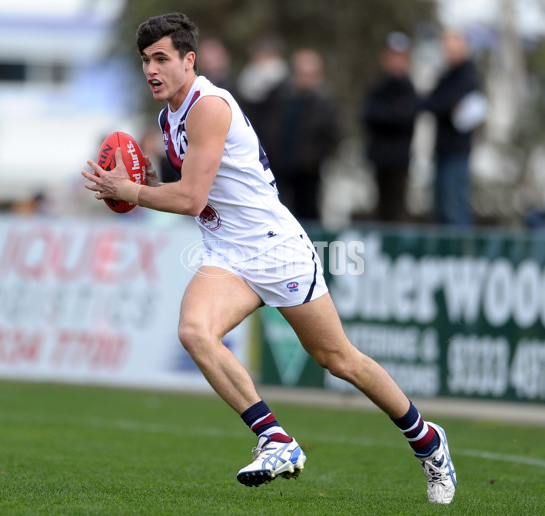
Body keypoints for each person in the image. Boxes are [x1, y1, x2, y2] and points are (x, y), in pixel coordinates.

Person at [81, 12, 457, 504]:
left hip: (275, 249)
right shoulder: (167, 117)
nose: (151, 69)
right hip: (228, 253)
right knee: (195, 331)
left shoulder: (208, 106)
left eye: (161, 58)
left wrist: (129, 189)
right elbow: (201, 193)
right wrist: (148, 185)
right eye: (145, 60)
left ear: (188, 60)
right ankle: (274, 438)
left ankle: (428, 442)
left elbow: (191, 199)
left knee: (339, 359)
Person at [266, 48, 342, 222]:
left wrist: (313, 159)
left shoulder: (326, 102)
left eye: (310, 74)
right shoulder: (280, 98)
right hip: (279, 170)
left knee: (308, 215)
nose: (305, 78)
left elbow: (334, 136)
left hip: (309, 175)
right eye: (301, 73)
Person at [420, 29, 483, 226]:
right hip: (442, 150)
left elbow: (443, 102)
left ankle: (462, 255)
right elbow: (431, 102)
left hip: (457, 151)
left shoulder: (468, 75)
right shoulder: (446, 74)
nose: (447, 52)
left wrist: (444, 104)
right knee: (440, 209)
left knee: (454, 207)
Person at [362, 32, 417, 223]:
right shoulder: (378, 86)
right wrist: (394, 114)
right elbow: (369, 116)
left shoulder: (408, 88)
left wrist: (388, 116)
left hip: (399, 160)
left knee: (397, 208)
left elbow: (407, 117)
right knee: (381, 208)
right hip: (379, 158)